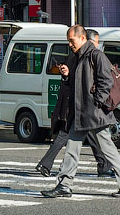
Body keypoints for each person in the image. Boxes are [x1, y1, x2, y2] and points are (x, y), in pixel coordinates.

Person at [41, 25, 120, 198]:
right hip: (80, 112)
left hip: (94, 112)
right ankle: (64, 185)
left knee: (107, 148)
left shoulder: (96, 55)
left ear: (82, 38)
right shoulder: (76, 58)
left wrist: (97, 101)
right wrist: (67, 75)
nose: (69, 44)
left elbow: (107, 81)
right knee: (72, 148)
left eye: (71, 40)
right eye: (68, 41)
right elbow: (73, 86)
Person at [35, 31, 107, 178]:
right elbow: (75, 82)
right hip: (78, 104)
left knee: (88, 134)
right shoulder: (79, 56)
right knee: (70, 134)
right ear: (87, 40)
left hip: (84, 104)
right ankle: (109, 169)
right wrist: (67, 75)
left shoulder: (90, 55)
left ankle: (104, 165)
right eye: (96, 42)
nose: (97, 45)